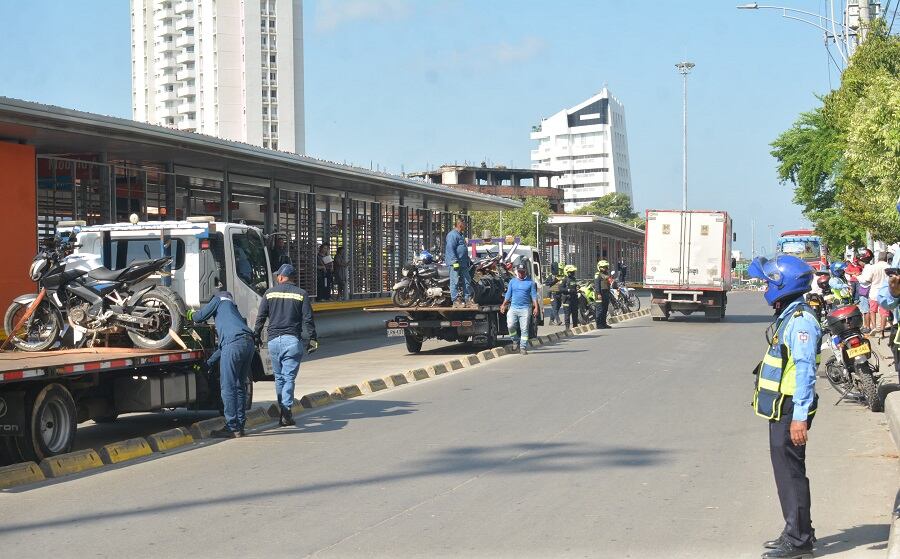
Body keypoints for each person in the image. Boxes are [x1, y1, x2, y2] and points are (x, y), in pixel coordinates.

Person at [747, 255, 820, 559]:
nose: (765, 287)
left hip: (791, 408)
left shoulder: (801, 321)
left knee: (790, 473)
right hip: (783, 407)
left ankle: (799, 541)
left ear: (783, 284)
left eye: (768, 283)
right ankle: (798, 529)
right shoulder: (789, 315)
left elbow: (805, 371)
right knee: (787, 472)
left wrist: (799, 417)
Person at [254, 263, 318, 427]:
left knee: (279, 378)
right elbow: (308, 319)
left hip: (274, 341)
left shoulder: (269, 293)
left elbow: (261, 317)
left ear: (282, 277)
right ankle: (286, 411)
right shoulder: (301, 294)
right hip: (292, 341)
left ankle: (283, 410)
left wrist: (256, 335)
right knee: (289, 377)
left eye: (278, 276)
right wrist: (312, 339)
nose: (277, 278)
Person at [187, 290, 255, 438]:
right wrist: (209, 363)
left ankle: (232, 427)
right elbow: (225, 346)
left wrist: (189, 314)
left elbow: (199, 317)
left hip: (234, 344)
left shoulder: (219, 300)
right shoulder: (234, 311)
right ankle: (240, 425)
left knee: (228, 387)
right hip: (248, 343)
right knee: (239, 385)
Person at [500, 263, 539, 355]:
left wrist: (536, 307)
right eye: (520, 272)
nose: (521, 273)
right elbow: (508, 294)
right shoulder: (512, 282)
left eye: (523, 272)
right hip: (513, 308)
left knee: (524, 329)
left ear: (525, 272)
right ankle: (515, 340)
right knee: (510, 326)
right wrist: (503, 305)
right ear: (517, 272)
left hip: (525, 309)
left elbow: (534, 296)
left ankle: (523, 347)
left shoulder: (530, 283)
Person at [445, 219, 474, 308]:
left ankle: (467, 300)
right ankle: (455, 301)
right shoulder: (452, 235)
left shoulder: (460, 235)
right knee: (455, 281)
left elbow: (462, 249)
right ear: (460, 225)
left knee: (467, 280)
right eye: (464, 224)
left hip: (463, 263)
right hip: (455, 263)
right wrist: (454, 261)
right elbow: (450, 248)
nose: (465, 226)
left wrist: (468, 260)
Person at [855, 248, 874, 330]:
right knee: (866, 310)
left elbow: (865, 280)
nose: (859, 263)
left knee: (865, 310)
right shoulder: (870, 267)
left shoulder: (868, 268)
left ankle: (867, 326)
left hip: (865, 290)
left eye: (859, 261)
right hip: (867, 290)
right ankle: (866, 326)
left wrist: (857, 277)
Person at [560, 264, 580, 329]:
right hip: (567, 299)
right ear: (567, 272)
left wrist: (577, 287)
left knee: (575, 313)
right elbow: (561, 289)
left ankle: (575, 326)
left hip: (574, 299)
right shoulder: (564, 279)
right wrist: (568, 290)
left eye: (573, 272)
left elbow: (575, 286)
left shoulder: (574, 279)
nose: (573, 273)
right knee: (567, 314)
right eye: (571, 272)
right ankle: (567, 328)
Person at [594, 260, 612, 329]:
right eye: (603, 267)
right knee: (600, 309)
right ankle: (599, 324)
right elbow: (597, 285)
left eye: (606, 267)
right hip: (599, 293)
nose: (605, 268)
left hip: (606, 293)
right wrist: (598, 293)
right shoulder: (597, 275)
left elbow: (609, 284)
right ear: (599, 267)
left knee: (605, 309)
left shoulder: (606, 275)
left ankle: (604, 323)